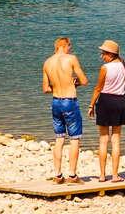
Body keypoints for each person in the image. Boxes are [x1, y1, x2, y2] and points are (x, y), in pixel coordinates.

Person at [40, 36, 88, 183]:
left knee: (59, 138)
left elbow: (45, 89)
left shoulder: (47, 62)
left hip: (56, 102)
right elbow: (85, 81)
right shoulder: (71, 58)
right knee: (75, 139)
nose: (70, 49)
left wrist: (58, 85)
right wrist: (75, 83)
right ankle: (72, 175)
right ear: (65, 45)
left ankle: (58, 174)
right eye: (69, 46)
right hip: (69, 101)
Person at [92, 40, 125, 183]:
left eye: (104, 53)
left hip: (105, 101)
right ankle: (114, 175)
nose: (102, 56)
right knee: (116, 140)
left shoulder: (105, 68)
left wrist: (91, 105)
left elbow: (98, 88)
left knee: (103, 140)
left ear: (111, 54)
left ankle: (102, 175)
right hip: (119, 101)